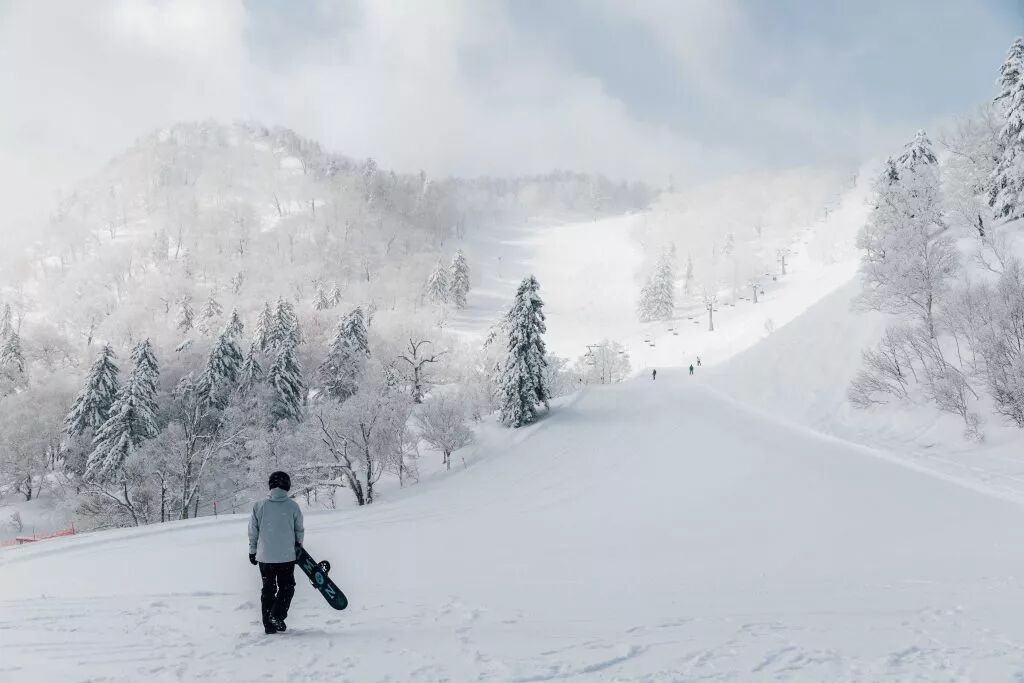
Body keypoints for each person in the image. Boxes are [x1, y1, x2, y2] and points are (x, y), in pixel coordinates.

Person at [248, 471, 304, 634]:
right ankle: (277, 615)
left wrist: (252, 550)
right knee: (287, 587)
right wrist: (298, 545)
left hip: (265, 558)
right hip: (286, 557)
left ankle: (269, 624)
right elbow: (299, 530)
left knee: (268, 589)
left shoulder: (259, 506)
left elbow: (253, 531)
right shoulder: (293, 506)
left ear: (271, 485)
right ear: (287, 485)